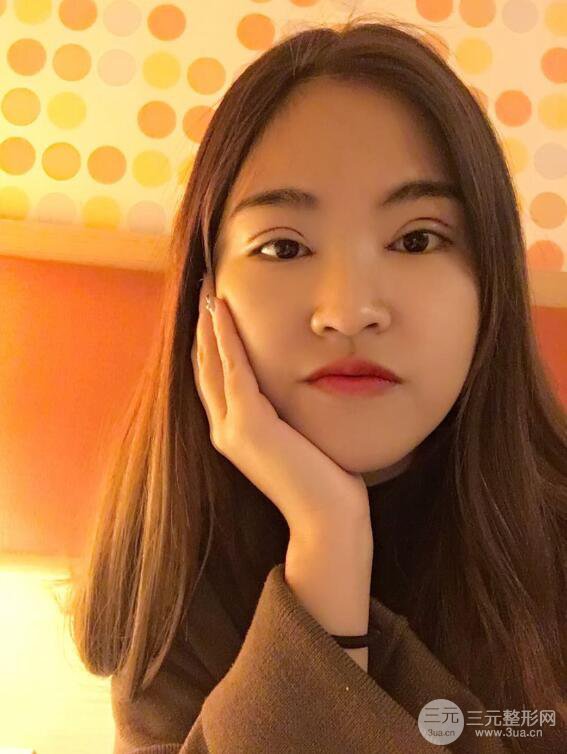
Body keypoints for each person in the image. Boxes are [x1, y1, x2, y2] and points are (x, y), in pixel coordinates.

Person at [60, 13, 566, 754]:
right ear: (207, 298)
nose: (348, 312)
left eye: (416, 239)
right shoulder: (167, 582)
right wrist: (326, 548)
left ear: (491, 283)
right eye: (283, 247)